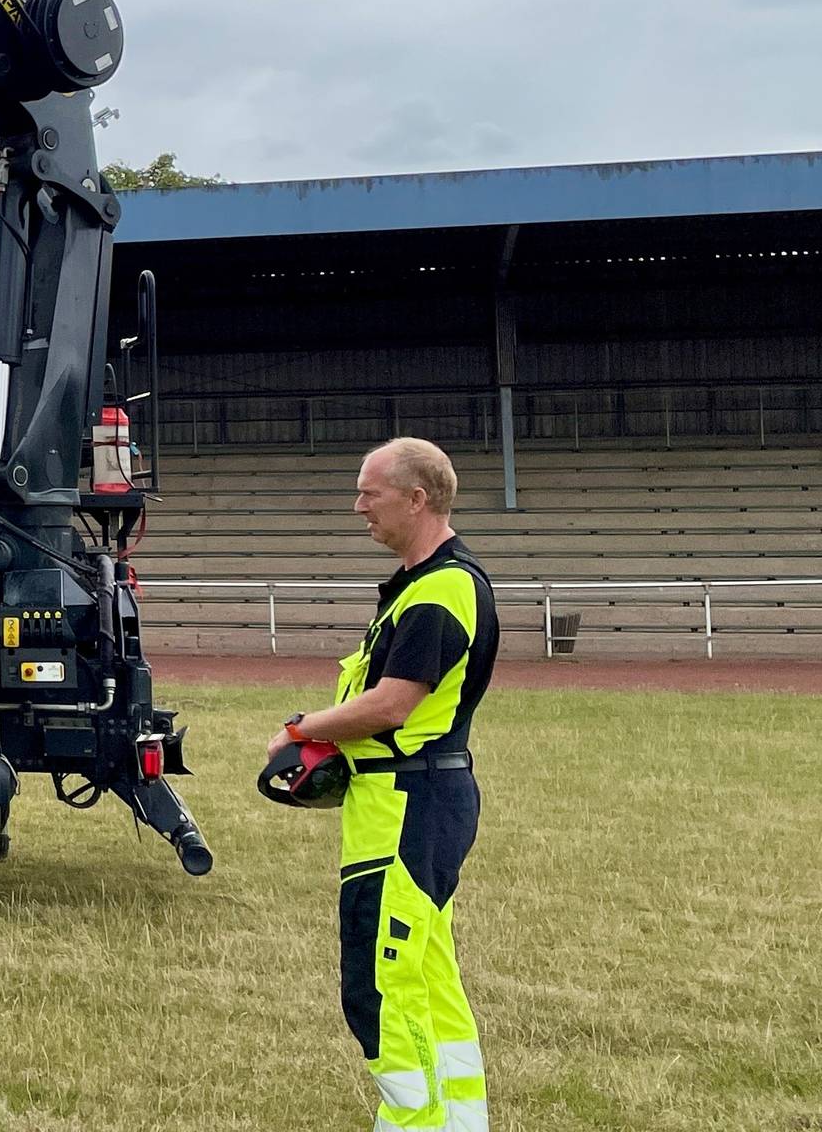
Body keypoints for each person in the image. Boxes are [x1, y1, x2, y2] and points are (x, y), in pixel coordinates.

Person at [268, 437, 495, 1131]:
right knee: (426, 980)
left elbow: (393, 703)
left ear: (416, 498)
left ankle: (415, 1123)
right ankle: (457, 1122)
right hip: (408, 803)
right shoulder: (420, 587)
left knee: (379, 987)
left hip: (408, 806)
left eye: (370, 492)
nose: (358, 506)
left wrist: (303, 729)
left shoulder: (438, 592)